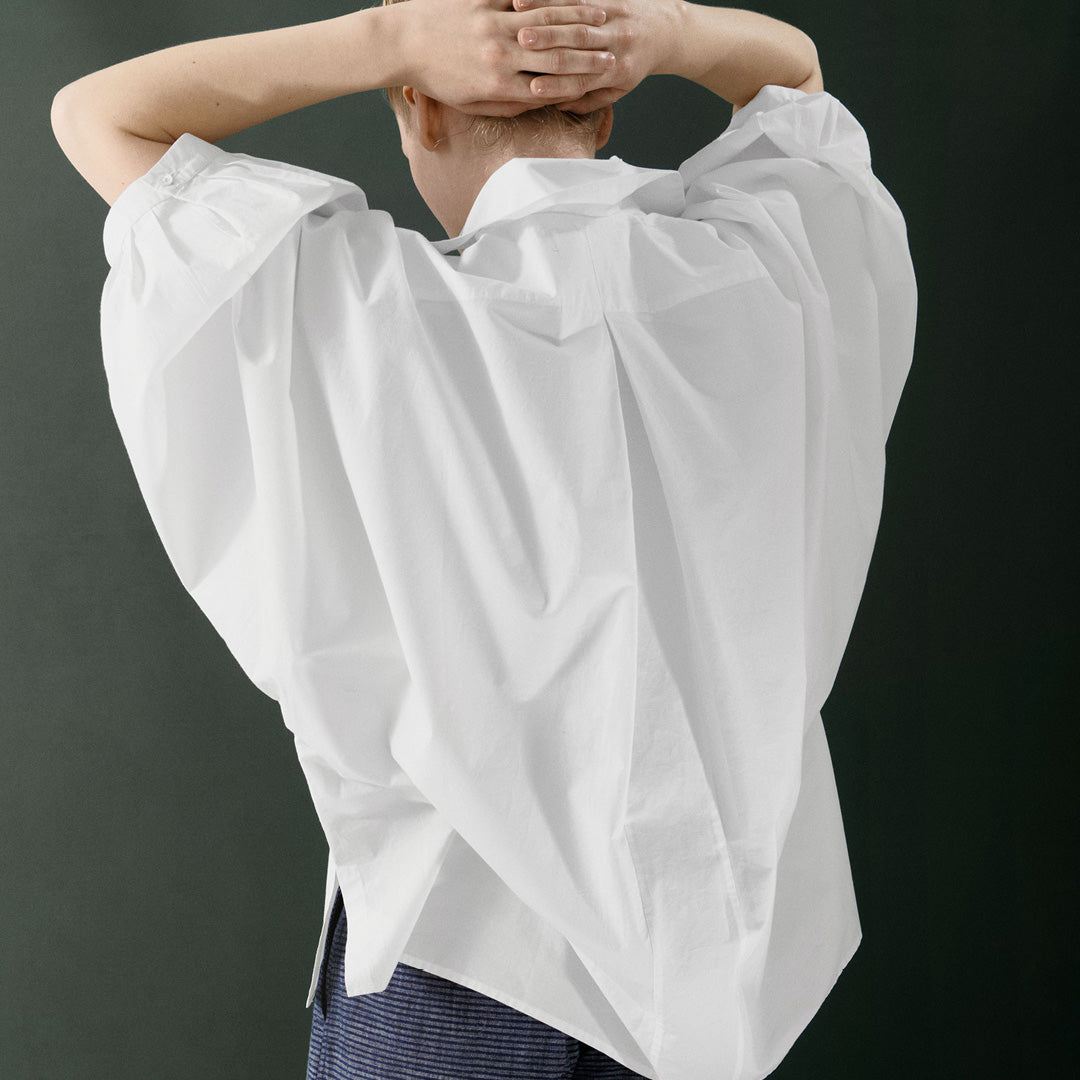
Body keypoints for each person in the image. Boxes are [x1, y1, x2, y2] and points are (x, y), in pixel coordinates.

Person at [50, 1, 917, 1078]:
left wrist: (390, 37)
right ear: (605, 112)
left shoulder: (361, 308)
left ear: (414, 105)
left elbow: (96, 116)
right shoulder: (766, 273)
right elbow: (796, 87)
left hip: (458, 961)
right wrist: (664, 35)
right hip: (707, 971)